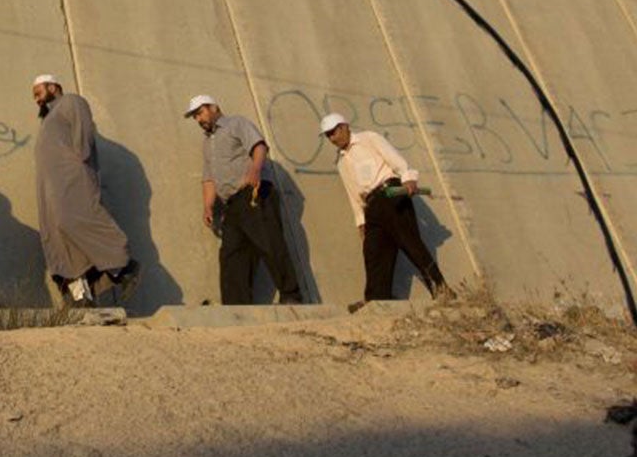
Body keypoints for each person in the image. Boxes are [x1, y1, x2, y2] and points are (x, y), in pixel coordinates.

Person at [31, 74, 141, 306]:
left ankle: (123, 266)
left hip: (72, 177)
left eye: (38, 92)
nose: (36, 99)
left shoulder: (71, 101)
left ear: (53, 86)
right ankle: (82, 296)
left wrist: (81, 163)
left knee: (74, 219)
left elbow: (84, 135)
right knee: (58, 234)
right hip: (51, 185)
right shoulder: (49, 117)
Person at [184, 94, 303, 305]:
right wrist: (208, 206)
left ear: (213, 107)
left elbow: (259, 146)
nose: (198, 119)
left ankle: (291, 296)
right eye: (195, 116)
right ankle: (236, 307)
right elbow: (209, 177)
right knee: (231, 256)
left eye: (200, 112)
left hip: (253, 193)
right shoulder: (207, 143)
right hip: (232, 205)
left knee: (270, 243)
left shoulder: (236, 123)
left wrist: (256, 169)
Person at [321, 112, 448, 301]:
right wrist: (361, 222)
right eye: (328, 135)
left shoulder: (369, 139)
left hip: (391, 194)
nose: (332, 138)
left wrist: (408, 178)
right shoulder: (341, 162)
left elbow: (395, 159)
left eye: (334, 132)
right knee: (373, 252)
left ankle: (441, 288)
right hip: (371, 207)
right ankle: (376, 300)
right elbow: (353, 194)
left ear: (344, 127)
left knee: (409, 242)